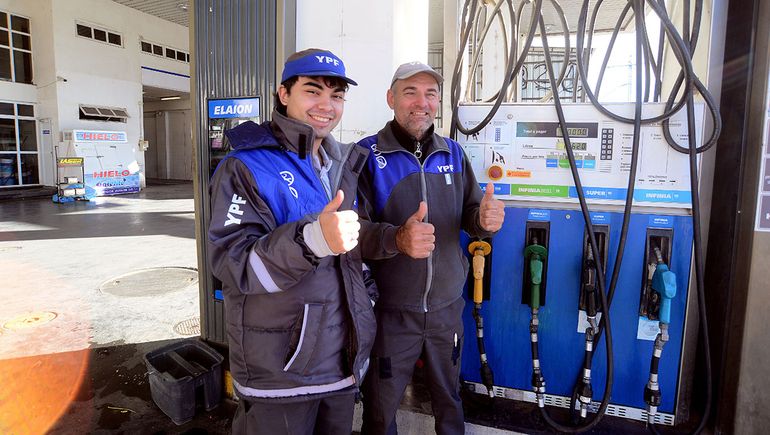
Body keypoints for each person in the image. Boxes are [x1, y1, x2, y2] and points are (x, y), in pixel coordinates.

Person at [207, 48, 377, 435]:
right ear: (284, 94)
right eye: (312, 91)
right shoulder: (246, 165)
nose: (326, 105)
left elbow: (351, 248)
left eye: (336, 96)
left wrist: (371, 285)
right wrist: (312, 238)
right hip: (282, 373)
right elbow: (233, 263)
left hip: (341, 362)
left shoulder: (341, 165)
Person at [357, 61, 506, 435]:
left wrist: (483, 221)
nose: (421, 103)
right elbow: (349, 232)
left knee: (450, 402)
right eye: (410, 92)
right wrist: (397, 239)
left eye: (430, 94)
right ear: (391, 99)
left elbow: (471, 213)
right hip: (390, 313)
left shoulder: (453, 154)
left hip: (445, 311)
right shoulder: (365, 157)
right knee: (380, 410)